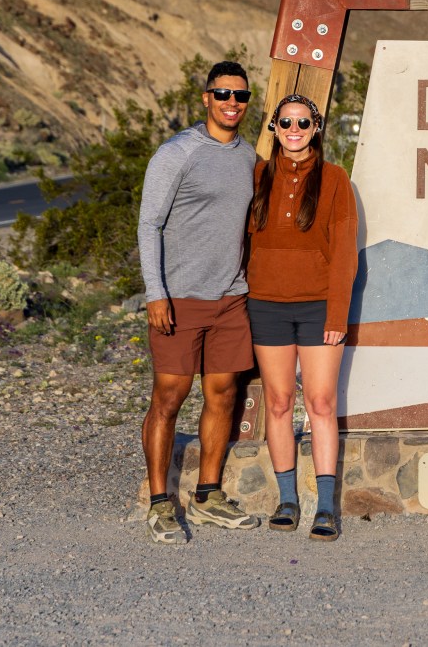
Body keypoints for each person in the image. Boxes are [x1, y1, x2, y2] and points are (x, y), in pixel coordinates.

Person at [138, 60, 262, 544]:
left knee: (224, 395)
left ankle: (208, 495)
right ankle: (159, 503)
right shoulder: (178, 153)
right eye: (223, 94)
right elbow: (150, 225)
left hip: (230, 297)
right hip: (178, 297)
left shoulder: (248, 156)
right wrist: (156, 293)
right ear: (206, 98)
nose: (233, 103)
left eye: (241, 96)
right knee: (168, 398)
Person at [246, 93, 358, 541]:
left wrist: (337, 313)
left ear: (317, 129)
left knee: (321, 403)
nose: (295, 130)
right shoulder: (256, 175)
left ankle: (326, 507)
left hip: (317, 308)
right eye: (286, 123)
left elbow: (345, 253)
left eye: (303, 123)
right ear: (274, 127)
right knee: (277, 403)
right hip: (266, 305)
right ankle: (287, 500)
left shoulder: (334, 179)